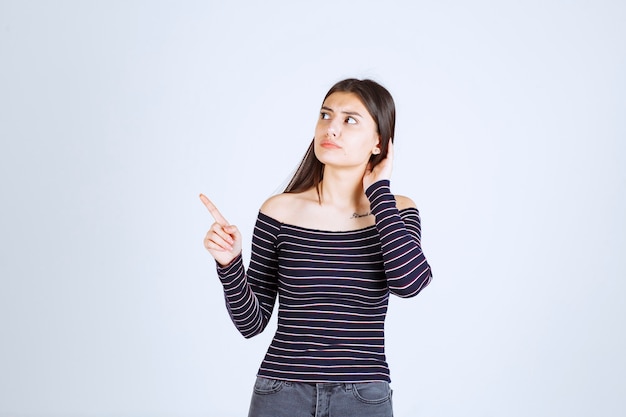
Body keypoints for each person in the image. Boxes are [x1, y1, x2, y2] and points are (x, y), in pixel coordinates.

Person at [200, 78, 433, 417]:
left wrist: (379, 191)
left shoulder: (395, 209)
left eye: (350, 120)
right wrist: (230, 264)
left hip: (363, 395)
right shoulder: (279, 210)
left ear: (378, 142)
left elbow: (409, 284)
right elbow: (252, 324)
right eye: (326, 115)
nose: (332, 129)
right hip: (281, 393)